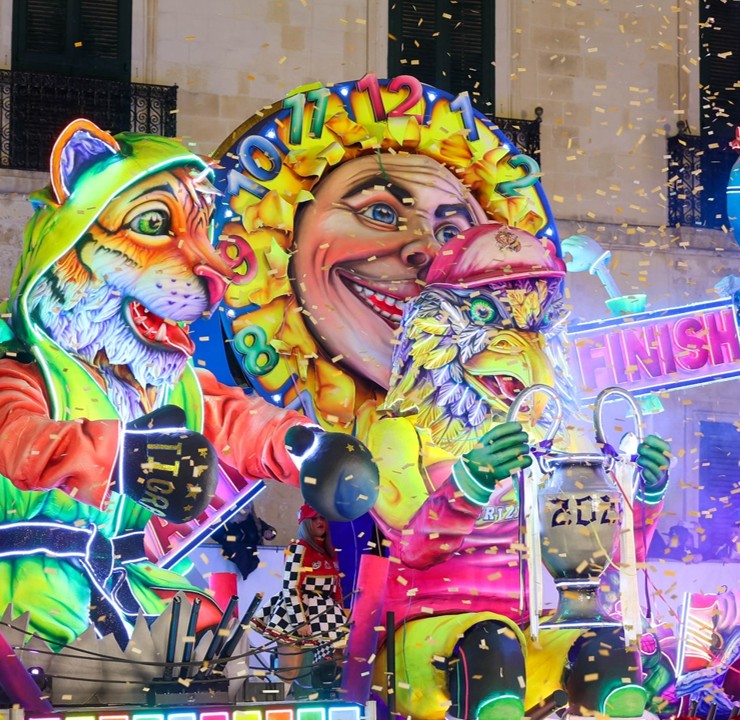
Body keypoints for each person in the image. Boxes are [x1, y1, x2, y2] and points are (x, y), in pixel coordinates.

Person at [252, 504, 348, 692]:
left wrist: (342, 612)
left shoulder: (329, 550)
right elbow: (290, 586)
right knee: (289, 671)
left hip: (327, 614)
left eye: (322, 517)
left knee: (335, 664)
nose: (319, 522)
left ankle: (332, 699)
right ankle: (274, 701)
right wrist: (299, 621)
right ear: (305, 522)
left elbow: (336, 587)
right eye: (314, 518)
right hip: (297, 611)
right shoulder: (298, 548)